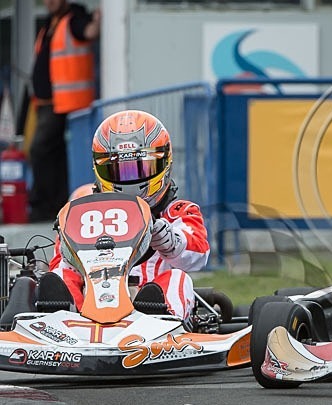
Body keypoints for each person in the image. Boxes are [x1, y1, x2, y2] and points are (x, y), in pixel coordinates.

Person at [44, 110, 210, 321]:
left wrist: (170, 240)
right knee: (59, 275)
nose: (130, 179)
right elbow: (59, 262)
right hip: (88, 308)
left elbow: (199, 255)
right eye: (120, 171)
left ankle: (159, 319)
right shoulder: (84, 214)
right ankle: (57, 320)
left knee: (178, 278)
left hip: (148, 304)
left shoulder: (178, 212)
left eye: (140, 168)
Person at [28, 0, 101, 222]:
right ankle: (52, 205)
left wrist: (101, 17)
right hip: (47, 102)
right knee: (54, 156)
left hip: (64, 102)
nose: (49, 2)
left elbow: (89, 32)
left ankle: (44, 206)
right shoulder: (51, 24)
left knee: (40, 150)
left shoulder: (74, 19)